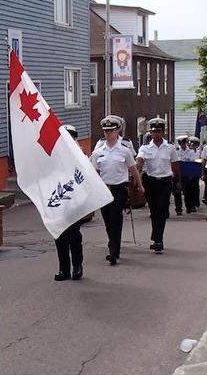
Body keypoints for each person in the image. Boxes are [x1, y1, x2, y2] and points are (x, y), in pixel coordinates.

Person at [91, 115, 142, 265]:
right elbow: (94, 173)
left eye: (111, 130)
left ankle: (114, 250)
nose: (108, 133)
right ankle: (112, 242)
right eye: (106, 131)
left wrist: (139, 185)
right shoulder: (98, 152)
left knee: (115, 218)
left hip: (119, 189)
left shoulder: (125, 151)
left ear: (117, 130)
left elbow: (133, 170)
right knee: (107, 220)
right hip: (104, 189)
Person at [135, 117, 180, 253]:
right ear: (151, 133)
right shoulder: (145, 148)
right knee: (154, 211)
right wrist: (136, 169)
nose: (156, 134)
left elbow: (175, 166)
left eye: (159, 131)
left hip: (165, 182)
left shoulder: (170, 148)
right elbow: (139, 161)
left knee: (161, 210)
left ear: (163, 132)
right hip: (151, 182)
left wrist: (178, 182)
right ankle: (157, 237)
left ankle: (158, 239)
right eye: (154, 132)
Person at [54, 125, 85, 281]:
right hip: (58, 201)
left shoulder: (80, 157)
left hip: (74, 202)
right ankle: (63, 269)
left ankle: (77, 266)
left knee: (73, 235)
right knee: (59, 235)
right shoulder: (53, 157)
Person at [180, 136, 202, 213]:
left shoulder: (193, 152)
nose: (193, 145)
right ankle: (188, 206)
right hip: (184, 174)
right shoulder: (178, 151)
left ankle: (193, 205)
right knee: (186, 191)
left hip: (193, 174)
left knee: (194, 190)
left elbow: (194, 162)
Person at [172, 134, 190, 215]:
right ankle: (178, 209)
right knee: (177, 192)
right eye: (181, 143)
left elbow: (192, 162)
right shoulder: (176, 152)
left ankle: (188, 207)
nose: (183, 144)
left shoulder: (190, 152)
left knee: (187, 192)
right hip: (177, 174)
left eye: (184, 143)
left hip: (186, 174)